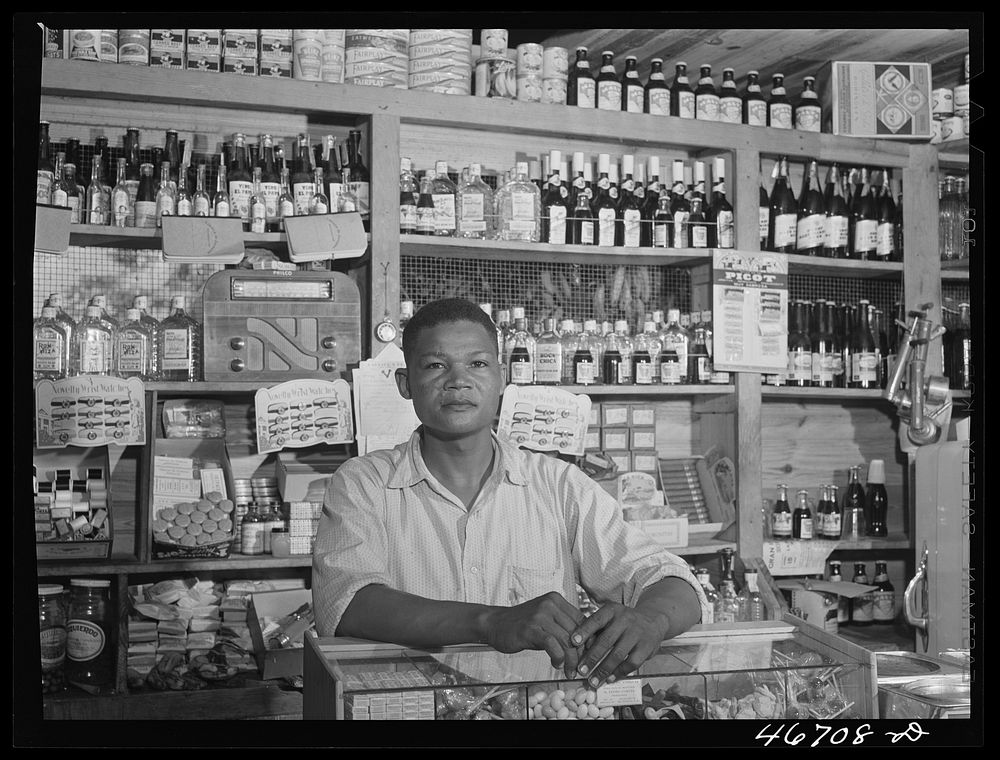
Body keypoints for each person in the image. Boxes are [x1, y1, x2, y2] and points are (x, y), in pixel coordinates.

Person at [312, 298, 709, 689]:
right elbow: (349, 603)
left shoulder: (558, 485)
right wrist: (491, 621)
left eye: (478, 364)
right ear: (405, 384)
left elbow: (668, 579)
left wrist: (651, 619)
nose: (457, 380)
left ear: (502, 378)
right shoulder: (364, 483)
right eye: (435, 365)